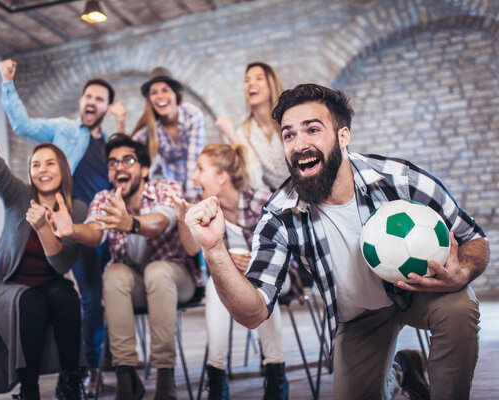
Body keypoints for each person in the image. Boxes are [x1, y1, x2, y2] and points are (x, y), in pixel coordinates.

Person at [185, 83, 489, 400]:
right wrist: (214, 248)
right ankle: (401, 371)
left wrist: (463, 271)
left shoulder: (399, 179)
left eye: (312, 130)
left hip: (416, 293)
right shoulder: (280, 215)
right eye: (289, 135)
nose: (299, 144)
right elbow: (253, 311)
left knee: (459, 306)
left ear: (343, 136)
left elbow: (474, 239)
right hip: (359, 320)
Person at [0, 59, 125, 394]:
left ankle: (113, 357)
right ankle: (91, 368)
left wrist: (124, 124)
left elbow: (131, 167)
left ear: (106, 107)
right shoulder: (64, 130)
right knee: (90, 295)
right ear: (81, 101)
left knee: (112, 293)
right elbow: (23, 125)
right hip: (76, 226)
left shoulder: (112, 143)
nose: (91, 102)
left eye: (99, 98)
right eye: (87, 96)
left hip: (109, 225)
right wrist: (8, 83)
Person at [48, 133, 203, 399]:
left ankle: (165, 377)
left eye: (128, 160)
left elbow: (160, 223)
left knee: (158, 270)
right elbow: (95, 233)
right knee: (114, 273)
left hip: (177, 279)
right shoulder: (104, 198)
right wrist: (71, 229)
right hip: (134, 284)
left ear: (143, 169)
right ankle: (125, 377)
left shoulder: (165, 188)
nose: (119, 166)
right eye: (112, 162)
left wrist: (130, 223)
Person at [0, 85, 88, 400]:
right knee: (31, 301)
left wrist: (48, 228)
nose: (42, 170)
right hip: (2, 285)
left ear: (63, 169)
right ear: (30, 173)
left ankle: (71, 381)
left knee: (67, 298)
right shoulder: (18, 196)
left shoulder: (78, 210)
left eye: (50, 163)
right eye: (36, 165)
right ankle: (29, 391)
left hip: (46, 282)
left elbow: (61, 264)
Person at [168, 143, 290, 399]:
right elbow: (191, 249)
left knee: (262, 284)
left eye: (201, 169)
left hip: (281, 274)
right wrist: (183, 218)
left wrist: (257, 261)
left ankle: (275, 374)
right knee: (215, 284)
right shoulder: (207, 209)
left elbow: (290, 243)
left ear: (222, 177)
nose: (194, 176)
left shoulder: (260, 200)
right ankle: (216, 376)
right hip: (234, 283)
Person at [131, 66, 206, 201]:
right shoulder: (151, 129)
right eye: (154, 92)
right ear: (149, 99)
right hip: (168, 195)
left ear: (176, 94)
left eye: (165, 90)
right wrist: (120, 122)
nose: (160, 96)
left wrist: (190, 201)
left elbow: (193, 160)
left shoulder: (192, 115)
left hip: (195, 190)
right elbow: (127, 148)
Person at [215, 62, 288, 191]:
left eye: (259, 78)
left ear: (271, 84)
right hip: (278, 203)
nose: (251, 84)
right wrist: (232, 137)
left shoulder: (288, 119)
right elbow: (254, 182)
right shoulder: (243, 133)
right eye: (247, 80)